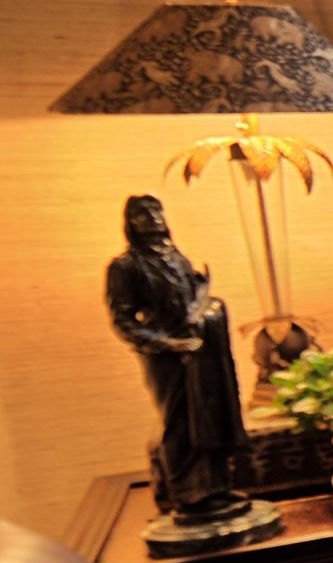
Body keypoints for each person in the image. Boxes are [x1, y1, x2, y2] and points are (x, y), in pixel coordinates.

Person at [106, 193, 273, 539]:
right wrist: (167, 343)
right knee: (180, 422)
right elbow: (125, 320)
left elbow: (191, 297)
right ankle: (189, 495)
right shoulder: (126, 266)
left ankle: (215, 487)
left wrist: (206, 308)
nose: (152, 218)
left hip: (201, 351)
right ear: (130, 221)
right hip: (168, 358)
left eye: (156, 211)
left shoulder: (174, 255)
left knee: (208, 417)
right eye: (142, 213)